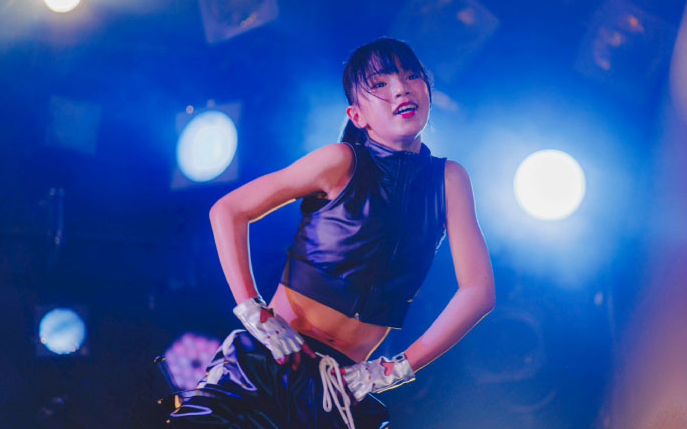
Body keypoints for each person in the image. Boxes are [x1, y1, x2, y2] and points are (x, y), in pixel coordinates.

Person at [167, 37, 495, 428]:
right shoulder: (341, 161)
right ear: (357, 115)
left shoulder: (449, 180)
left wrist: (397, 368)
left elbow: (479, 292)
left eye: (411, 76)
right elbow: (228, 210)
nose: (401, 89)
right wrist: (254, 311)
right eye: (380, 84)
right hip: (267, 369)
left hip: (339, 393)